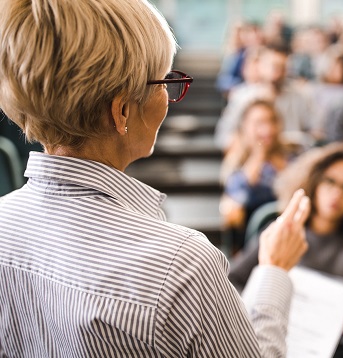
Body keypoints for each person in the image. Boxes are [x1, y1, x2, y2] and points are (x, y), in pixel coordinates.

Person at [0, 0, 311, 356]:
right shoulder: (181, 264)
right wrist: (273, 271)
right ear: (121, 112)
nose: (168, 97)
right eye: (163, 81)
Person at [229, 145, 343, 358]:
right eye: (329, 181)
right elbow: (232, 280)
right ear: (314, 181)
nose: (337, 193)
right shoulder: (283, 231)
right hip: (277, 342)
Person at [215, 44, 316, 151]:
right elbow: (223, 136)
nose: (277, 71)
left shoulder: (299, 96)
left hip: (291, 156)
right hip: (253, 155)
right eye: (272, 66)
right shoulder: (242, 96)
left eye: (281, 67)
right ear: (260, 66)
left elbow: (314, 131)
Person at [220, 100, 289, 244]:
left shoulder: (291, 156)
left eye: (272, 121)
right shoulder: (236, 163)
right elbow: (237, 199)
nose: (268, 129)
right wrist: (259, 155)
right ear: (245, 127)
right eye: (259, 123)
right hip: (253, 238)